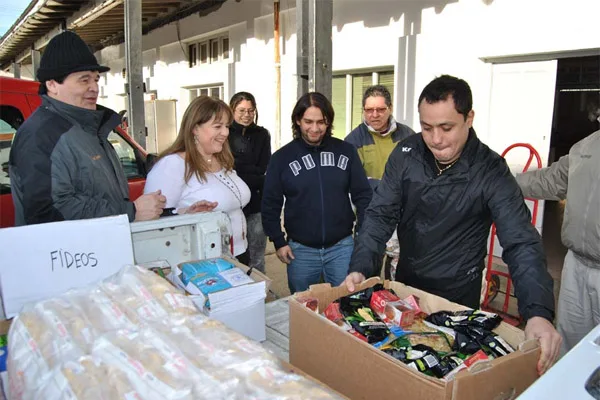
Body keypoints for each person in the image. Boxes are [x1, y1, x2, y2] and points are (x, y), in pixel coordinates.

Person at [344, 75, 561, 375]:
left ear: (468, 118)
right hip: (407, 285)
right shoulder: (405, 155)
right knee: (403, 366)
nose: (435, 139)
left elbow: (521, 241)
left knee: (446, 371)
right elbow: (379, 215)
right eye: (427, 127)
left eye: (446, 128)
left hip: (458, 294)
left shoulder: (490, 170)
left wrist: (538, 312)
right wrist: (360, 268)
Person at [9, 30, 165, 226]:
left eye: (96, 79)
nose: (94, 87)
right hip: (66, 254)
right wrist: (130, 212)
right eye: (84, 80)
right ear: (52, 85)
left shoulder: (89, 130)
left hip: (98, 249)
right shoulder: (40, 136)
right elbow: (49, 209)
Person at [262, 92, 372, 293]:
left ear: (328, 121)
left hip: (342, 248)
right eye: (308, 122)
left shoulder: (346, 151)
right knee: (305, 309)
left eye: (321, 122)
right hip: (300, 251)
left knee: (345, 303)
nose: (315, 129)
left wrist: (362, 237)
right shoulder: (281, 158)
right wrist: (278, 241)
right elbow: (270, 204)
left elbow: (364, 197)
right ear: (298, 120)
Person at [516, 105, 600, 356]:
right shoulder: (585, 148)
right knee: (570, 347)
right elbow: (550, 180)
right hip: (577, 264)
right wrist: (501, 180)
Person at [144, 95, 251, 258]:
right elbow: (152, 222)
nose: (225, 132)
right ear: (194, 128)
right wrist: (186, 214)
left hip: (239, 254)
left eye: (227, 126)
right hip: (202, 261)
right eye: (217, 126)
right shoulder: (172, 165)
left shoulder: (221, 160)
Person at [228, 92, 271, 271]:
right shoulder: (225, 133)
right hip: (231, 205)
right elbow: (226, 167)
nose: (246, 115)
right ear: (232, 110)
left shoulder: (262, 134)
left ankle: (259, 292)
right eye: (242, 110)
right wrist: (248, 170)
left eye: (250, 110)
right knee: (234, 255)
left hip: (256, 203)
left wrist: (239, 168)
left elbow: (263, 167)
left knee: (257, 255)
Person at [345, 85, 415, 186]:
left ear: (390, 108)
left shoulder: (408, 135)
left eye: (380, 109)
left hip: (403, 200)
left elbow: (417, 172)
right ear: (363, 111)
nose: (375, 115)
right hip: (371, 201)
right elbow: (354, 181)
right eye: (369, 110)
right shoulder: (353, 141)